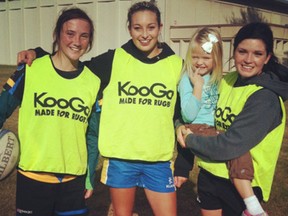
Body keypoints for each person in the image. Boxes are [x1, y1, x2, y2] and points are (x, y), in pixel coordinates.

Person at [17, 1, 183, 216]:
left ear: (160, 27)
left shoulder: (176, 65)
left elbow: (180, 113)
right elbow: (74, 67)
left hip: (158, 160)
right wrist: (38, 52)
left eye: (151, 27)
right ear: (129, 29)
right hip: (121, 159)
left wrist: (183, 163)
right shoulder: (114, 60)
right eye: (137, 28)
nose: (144, 34)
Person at [176, 22, 288, 216]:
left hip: (242, 183)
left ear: (268, 57)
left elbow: (230, 145)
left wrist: (190, 139)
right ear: (233, 52)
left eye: (258, 54)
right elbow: (194, 108)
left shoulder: (265, 98)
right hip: (210, 173)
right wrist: (179, 125)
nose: (248, 59)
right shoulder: (227, 80)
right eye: (242, 51)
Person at [1, 7, 101, 216]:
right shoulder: (31, 69)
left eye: (84, 36)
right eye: (70, 33)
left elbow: (92, 136)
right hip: (33, 179)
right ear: (57, 34)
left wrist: (90, 176)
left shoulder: (93, 82)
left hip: (73, 182)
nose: (77, 41)